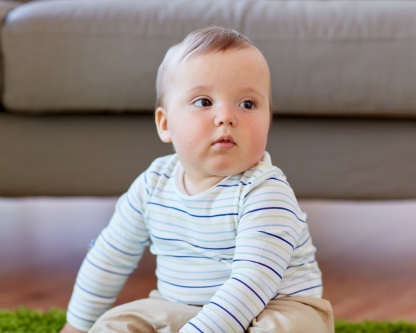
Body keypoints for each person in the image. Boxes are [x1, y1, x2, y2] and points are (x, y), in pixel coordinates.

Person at [60, 26, 334, 333]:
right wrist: (77, 325)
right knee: (116, 325)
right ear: (165, 124)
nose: (226, 117)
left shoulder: (265, 192)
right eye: (204, 102)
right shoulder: (153, 185)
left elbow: (251, 283)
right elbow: (108, 256)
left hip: (271, 306)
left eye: (248, 104)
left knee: (291, 328)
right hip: (178, 307)